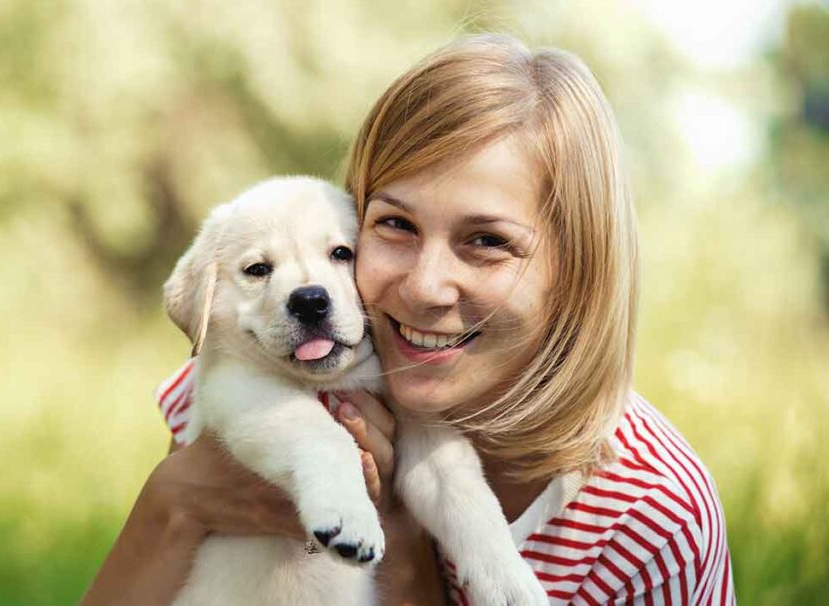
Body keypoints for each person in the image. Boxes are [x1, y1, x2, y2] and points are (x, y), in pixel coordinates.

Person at [81, 34, 735, 605]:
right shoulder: (255, 376)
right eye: (394, 224)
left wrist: (403, 555)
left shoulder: (651, 519)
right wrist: (177, 496)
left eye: (487, 241)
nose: (425, 288)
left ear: (578, 268)